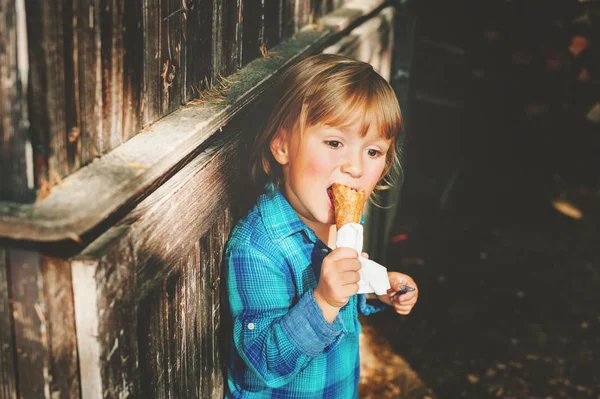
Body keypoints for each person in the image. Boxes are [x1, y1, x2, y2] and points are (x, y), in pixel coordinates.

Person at [224, 53, 418, 398]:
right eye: (334, 143)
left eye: (373, 152)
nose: (355, 168)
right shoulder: (258, 247)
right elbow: (266, 362)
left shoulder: (346, 219)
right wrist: (324, 300)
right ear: (282, 145)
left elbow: (347, 286)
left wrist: (378, 287)